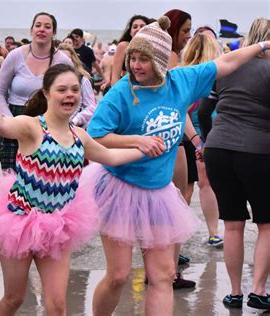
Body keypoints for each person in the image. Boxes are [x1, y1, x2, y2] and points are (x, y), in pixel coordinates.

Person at [85, 16, 270, 316]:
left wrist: (262, 45)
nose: (135, 65)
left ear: (160, 60)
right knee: (119, 275)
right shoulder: (122, 92)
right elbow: (93, 137)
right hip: (119, 189)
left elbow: (229, 61)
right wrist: (136, 141)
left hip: (158, 194)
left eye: (144, 59)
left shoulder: (181, 82)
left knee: (162, 276)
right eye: (133, 57)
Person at [0, 62, 162, 315]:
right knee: (14, 298)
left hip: (57, 226)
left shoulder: (80, 136)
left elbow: (110, 157)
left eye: (75, 90)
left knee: (58, 305)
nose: (70, 95)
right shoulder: (31, 127)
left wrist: (144, 150)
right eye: (62, 90)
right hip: (19, 222)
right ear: (46, 93)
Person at [204, 18, 270, 310]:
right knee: (267, 224)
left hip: (218, 149)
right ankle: (258, 290)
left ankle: (234, 293)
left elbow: (205, 110)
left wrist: (206, 141)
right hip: (257, 151)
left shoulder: (227, 67)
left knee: (232, 225)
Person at [0, 12, 72, 172]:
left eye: (47, 26)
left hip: (48, 122)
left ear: (54, 32)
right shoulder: (15, 56)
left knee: (43, 176)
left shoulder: (63, 60)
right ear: (31, 30)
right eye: (38, 25)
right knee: (11, 178)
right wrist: (9, 120)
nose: (42, 29)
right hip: (13, 117)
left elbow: (71, 96)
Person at [180, 33, 223, 247]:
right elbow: (185, 110)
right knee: (202, 185)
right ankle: (212, 232)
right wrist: (200, 141)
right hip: (200, 136)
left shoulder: (184, 73)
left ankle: (180, 235)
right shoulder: (208, 75)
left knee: (187, 187)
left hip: (192, 136)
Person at [164, 8, 195, 280]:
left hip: (162, 138)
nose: (189, 35)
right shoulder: (171, 58)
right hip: (172, 140)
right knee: (175, 203)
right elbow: (178, 106)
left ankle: (163, 268)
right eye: (185, 30)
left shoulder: (162, 56)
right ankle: (168, 271)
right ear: (173, 29)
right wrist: (195, 138)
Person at [57, 43, 97, 128]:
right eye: (61, 58)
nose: (64, 61)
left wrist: (76, 120)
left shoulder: (82, 79)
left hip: (76, 127)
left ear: (73, 59)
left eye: (67, 58)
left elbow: (91, 107)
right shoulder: (51, 80)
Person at [109, 15, 149, 88]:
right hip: (127, 88)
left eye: (142, 26)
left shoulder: (152, 48)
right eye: (135, 27)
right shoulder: (123, 46)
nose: (138, 28)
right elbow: (115, 76)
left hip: (148, 88)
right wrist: (115, 95)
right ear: (130, 32)